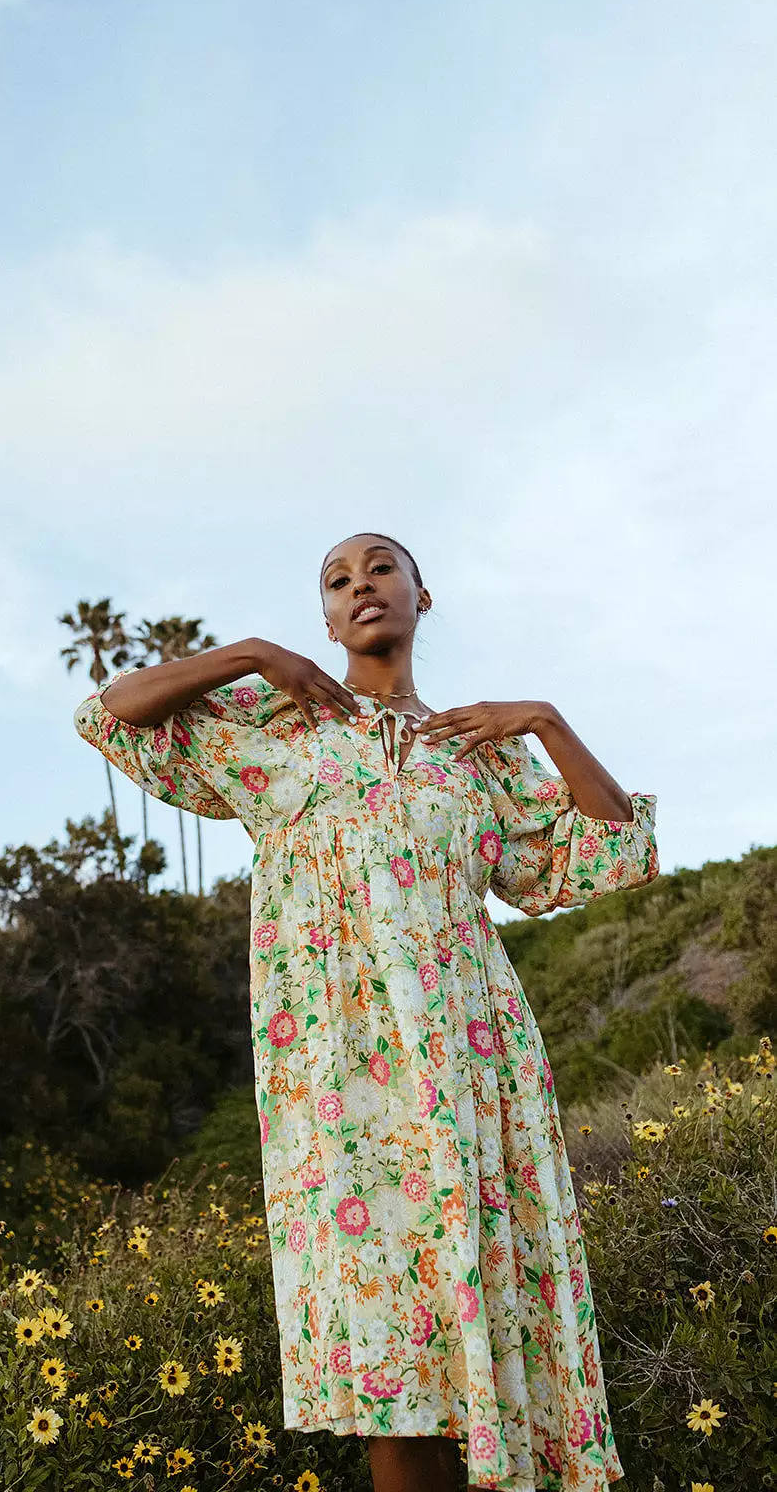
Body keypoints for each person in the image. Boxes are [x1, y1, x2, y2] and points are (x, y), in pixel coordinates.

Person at [73, 531, 659, 1492]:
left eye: (380, 568)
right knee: (393, 1353)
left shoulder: (475, 748)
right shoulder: (274, 723)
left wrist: (545, 722)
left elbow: (609, 850)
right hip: (336, 1070)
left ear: (422, 596)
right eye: (337, 581)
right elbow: (107, 713)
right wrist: (257, 655)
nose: (360, 587)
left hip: (471, 1056)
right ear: (327, 618)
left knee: (492, 1312)